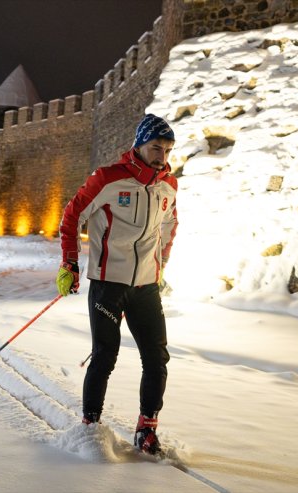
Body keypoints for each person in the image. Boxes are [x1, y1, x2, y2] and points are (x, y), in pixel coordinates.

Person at [56, 113, 178, 455]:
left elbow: (169, 226)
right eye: (156, 147)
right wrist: (70, 262)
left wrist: (161, 265)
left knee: (156, 359)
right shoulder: (108, 179)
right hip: (108, 284)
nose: (162, 157)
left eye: (168, 150)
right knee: (104, 356)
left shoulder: (169, 185)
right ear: (139, 144)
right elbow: (72, 215)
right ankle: (90, 425)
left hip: (146, 286)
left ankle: (147, 429)